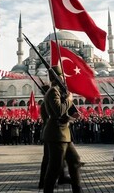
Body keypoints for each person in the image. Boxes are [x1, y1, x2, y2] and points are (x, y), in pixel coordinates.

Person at [43, 65, 82, 193]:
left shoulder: (60, 91)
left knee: (75, 161)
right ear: (58, 77)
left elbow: (64, 114)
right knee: (55, 168)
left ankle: (78, 190)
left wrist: (72, 116)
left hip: (64, 134)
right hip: (57, 134)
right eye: (62, 76)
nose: (64, 78)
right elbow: (59, 111)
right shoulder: (53, 91)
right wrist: (69, 100)